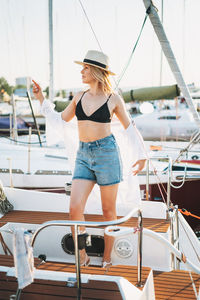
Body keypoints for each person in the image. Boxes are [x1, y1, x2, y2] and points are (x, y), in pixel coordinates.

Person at [33, 50, 146, 268]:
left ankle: (107, 258)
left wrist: (142, 155)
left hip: (107, 155)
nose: (82, 71)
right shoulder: (79, 96)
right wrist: (41, 99)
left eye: (85, 68)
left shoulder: (114, 99)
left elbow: (130, 128)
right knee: (75, 208)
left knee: (108, 212)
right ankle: (82, 254)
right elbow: (60, 120)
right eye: (82, 67)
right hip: (83, 156)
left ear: (96, 72)